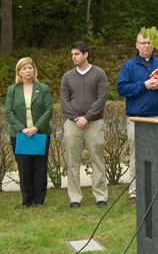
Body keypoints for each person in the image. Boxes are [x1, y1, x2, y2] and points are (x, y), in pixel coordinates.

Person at [117, 34, 158, 204]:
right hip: (137, 119)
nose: (147, 46)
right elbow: (122, 89)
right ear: (136, 45)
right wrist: (144, 85)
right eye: (143, 43)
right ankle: (135, 193)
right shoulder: (128, 66)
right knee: (136, 156)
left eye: (149, 43)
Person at [60, 41, 109, 208]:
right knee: (72, 162)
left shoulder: (99, 74)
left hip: (94, 123)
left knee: (97, 160)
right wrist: (77, 119)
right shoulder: (67, 76)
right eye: (72, 54)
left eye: (76, 54)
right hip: (73, 124)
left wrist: (87, 118)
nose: (73, 57)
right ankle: (74, 198)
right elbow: (64, 101)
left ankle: (100, 196)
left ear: (85, 55)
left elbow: (101, 98)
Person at [5, 57, 53, 208]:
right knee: (24, 167)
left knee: (40, 167)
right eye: (24, 68)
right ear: (19, 72)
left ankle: (39, 201)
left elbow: (48, 109)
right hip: (20, 135)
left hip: (40, 134)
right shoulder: (12, 90)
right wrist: (23, 128)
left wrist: (36, 127)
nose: (28, 71)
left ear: (34, 70)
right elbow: (9, 111)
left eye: (30, 68)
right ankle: (27, 201)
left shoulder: (43, 88)